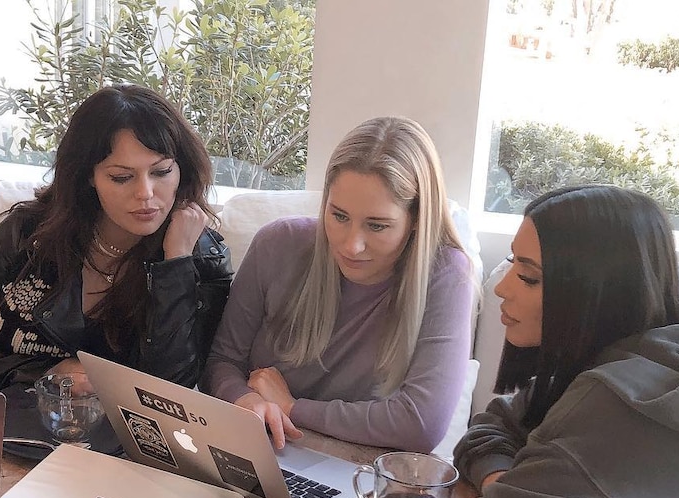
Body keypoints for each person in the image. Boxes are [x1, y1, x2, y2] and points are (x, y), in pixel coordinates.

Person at [442, 185, 679, 498]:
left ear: (597, 290)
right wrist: (511, 486)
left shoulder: (619, 405)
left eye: (528, 277)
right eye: (513, 262)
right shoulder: (662, 351)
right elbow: (493, 426)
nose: (502, 287)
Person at [0, 84, 233, 393]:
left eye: (162, 172)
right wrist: (49, 372)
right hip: (6, 426)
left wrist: (176, 260)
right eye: (121, 177)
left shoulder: (203, 259)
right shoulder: (27, 234)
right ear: (89, 176)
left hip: (110, 440)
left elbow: (170, 394)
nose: (146, 194)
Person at [200, 116, 476, 452]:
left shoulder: (446, 273)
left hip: (358, 470)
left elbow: (420, 424)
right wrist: (244, 400)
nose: (350, 245)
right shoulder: (277, 244)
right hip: (262, 448)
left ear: (416, 220)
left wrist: (292, 408)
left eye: (377, 226)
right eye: (339, 216)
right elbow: (221, 361)